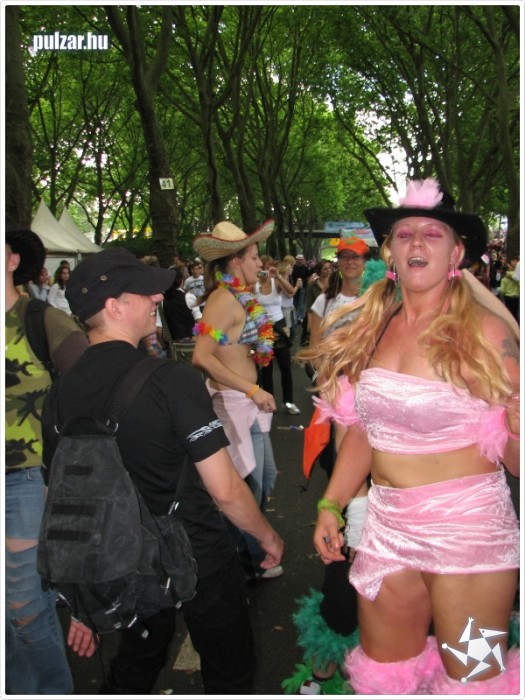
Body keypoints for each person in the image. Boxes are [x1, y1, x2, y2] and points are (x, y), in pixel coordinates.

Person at [300, 177, 520, 695]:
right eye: (404, 234)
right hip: (388, 531)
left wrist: (516, 425)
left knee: (474, 682)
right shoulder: (373, 326)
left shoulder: (486, 334)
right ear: (391, 253)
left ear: (456, 253)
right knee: (386, 680)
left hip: (469, 538)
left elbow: (516, 461)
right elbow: (365, 431)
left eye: (432, 234)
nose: (416, 241)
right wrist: (332, 504)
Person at [42, 246, 284, 694]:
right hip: (196, 550)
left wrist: (81, 593)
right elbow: (225, 489)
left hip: (120, 556)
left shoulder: (59, 394)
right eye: (145, 292)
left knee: (138, 660)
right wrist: (266, 536)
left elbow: (58, 496)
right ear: (114, 307)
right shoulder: (171, 380)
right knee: (229, 667)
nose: (158, 298)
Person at [5, 219, 94, 695]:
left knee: (24, 609)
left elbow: (93, 389)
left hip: (24, 480)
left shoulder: (41, 319)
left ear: (12, 259)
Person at [192, 220, 284, 581]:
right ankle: (244, 564)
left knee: (265, 479)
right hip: (234, 405)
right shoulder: (222, 299)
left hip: (247, 404)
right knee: (246, 488)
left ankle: (244, 553)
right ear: (235, 260)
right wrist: (251, 389)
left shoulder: (239, 296)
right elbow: (201, 357)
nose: (260, 263)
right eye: (255, 257)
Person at [256, 255, 301, 415]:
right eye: (263, 267)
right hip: (262, 328)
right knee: (266, 369)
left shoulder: (276, 282)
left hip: (280, 326)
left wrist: (278, 276)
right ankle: (270, 402)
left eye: (269, 267)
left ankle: (289, 403)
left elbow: (291, 292)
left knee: (285, 367)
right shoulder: (254, 284)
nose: (266, 270)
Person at [162, 266, 202, 342]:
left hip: (173, 343)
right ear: (181, 281)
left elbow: (158, 328)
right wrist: (196, 334)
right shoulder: (189, 297)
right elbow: (199, 320)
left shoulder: (162, 301)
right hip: (191, 341)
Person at [292, 253, 310, 324]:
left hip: (303, 287)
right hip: (294, 287)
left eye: (301, 260)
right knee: (295, 302)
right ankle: (295, 317)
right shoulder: (293, 268)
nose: (299, 261)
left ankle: (301, 317)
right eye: (298, 259)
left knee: (302, 303)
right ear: (296, 260)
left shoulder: (305, 268)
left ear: (303, 260)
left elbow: (308, 277)